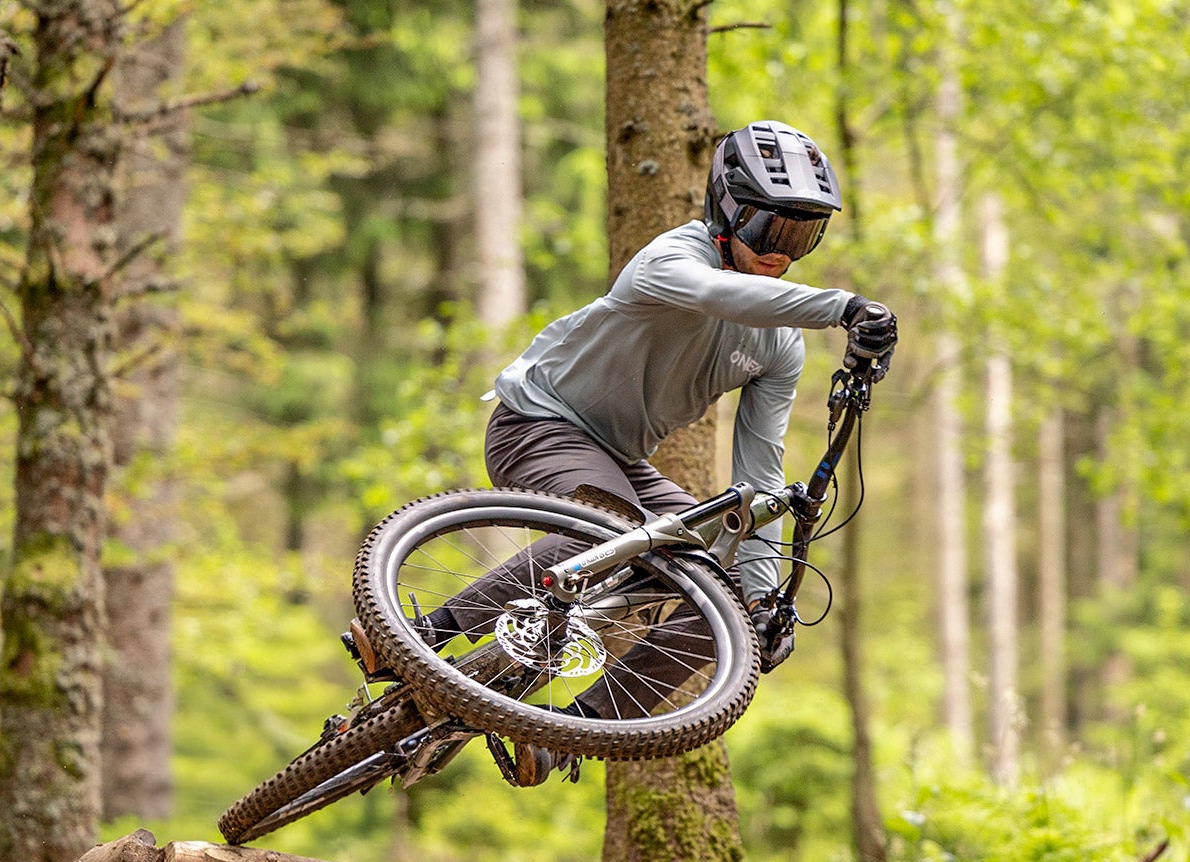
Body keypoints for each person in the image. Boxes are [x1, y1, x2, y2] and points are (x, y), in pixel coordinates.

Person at [351, 121, 900, 784]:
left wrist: (761, 600)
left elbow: (759, 480)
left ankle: (563, 737)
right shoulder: (673, 260)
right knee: (612, 530)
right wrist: (842, 307)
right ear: (727, 212)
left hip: (619, 458)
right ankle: (415, 637)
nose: (782, 252)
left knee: (723, 599)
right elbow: (715, 294)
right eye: (769, 229)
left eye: (803, 236)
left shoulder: (779, 346)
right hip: (538, 422)